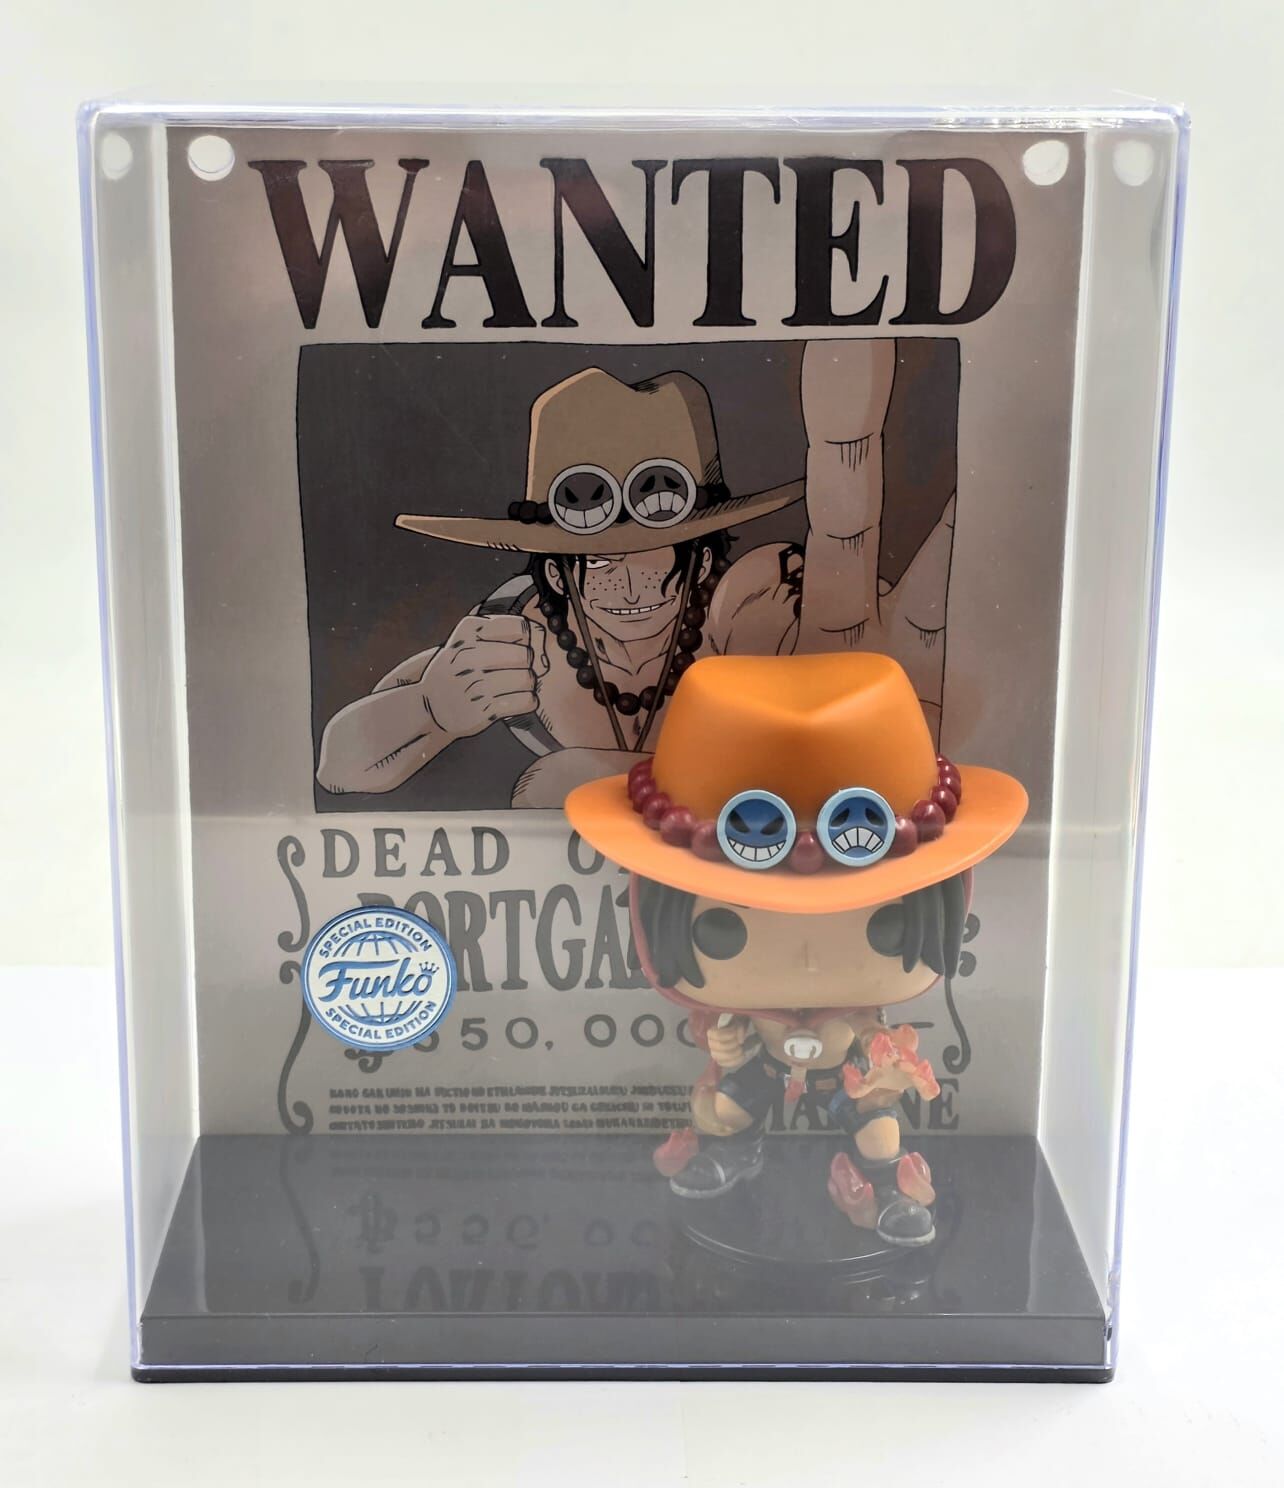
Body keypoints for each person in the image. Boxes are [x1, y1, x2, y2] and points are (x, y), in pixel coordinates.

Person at [317, 341, 956, 807]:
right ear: (555, 574)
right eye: (597, 559)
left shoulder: (751, 607)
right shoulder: (511, 638)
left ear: (702, 557)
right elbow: (337, 767)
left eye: (656, 553)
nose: (625, 584)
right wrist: (430, 707)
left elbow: (819, 640)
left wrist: (877, 702)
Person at [564, 651, 1028, 1246]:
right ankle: (734, 1149)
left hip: (845, 1068)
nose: (808, 960)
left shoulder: (860, 1014)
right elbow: (723, 1042)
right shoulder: (737, 1010)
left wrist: (883, 1061)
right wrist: (725, 1046)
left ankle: (886, 1187)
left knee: (878, 1127)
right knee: (724, 1110)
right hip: (761, 1061)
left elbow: (876, 1044)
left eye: (882, 924)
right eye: (725, 927)